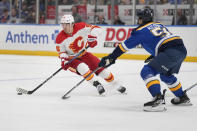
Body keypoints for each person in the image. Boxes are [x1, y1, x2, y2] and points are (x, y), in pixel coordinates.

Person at [98, 8, 192, 112]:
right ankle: (182, 97)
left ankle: (158, 100)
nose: (138, 20)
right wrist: (158, 55)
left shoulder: (140, 31)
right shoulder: (158, 24)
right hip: (181, 50)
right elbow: (163, 40)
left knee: (147, 71)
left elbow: (124, 47)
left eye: (139, 18)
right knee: (166, 75)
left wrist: (111, 57)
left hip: (169, 51)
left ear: (142, 19)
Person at [55, 14, 126, 96]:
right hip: (71, 58)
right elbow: (62, 52)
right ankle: (97, 84)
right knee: (82, 68)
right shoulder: (60, 37)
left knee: (101, 69)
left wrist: (93, 37)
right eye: (62, 24)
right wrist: (64, 60)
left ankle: (115, 84)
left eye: (66, 24)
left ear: (72, 24)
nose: (64, 27)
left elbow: (97, 29)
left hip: (84, 53)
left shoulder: (81, 26)